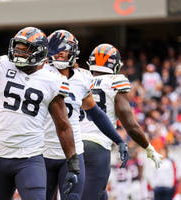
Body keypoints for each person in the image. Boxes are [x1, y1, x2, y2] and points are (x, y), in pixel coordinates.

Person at [0, 6, 80, 200]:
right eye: (17, 47)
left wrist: (72, 161)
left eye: (25, 50)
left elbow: (63, 125)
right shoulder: (2, 66)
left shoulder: (52, 79)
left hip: (30, 159)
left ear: (40, 52)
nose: (18, 53)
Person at [43, 30, 129, 200]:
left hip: (73, 152)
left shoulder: (83, 78)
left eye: (63, 53)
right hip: (42, 150)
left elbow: (95, 113)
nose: (59, 57)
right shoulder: (40, 75)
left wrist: (118, 139)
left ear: (72, 52)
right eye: (55, 53)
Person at [80, 43, 163, 200]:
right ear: (115, 64)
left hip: (73, 146)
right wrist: (149, 148)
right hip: (97, 146)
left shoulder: (80, 79)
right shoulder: (115, 81)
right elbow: (130, 126)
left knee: (97, 194)